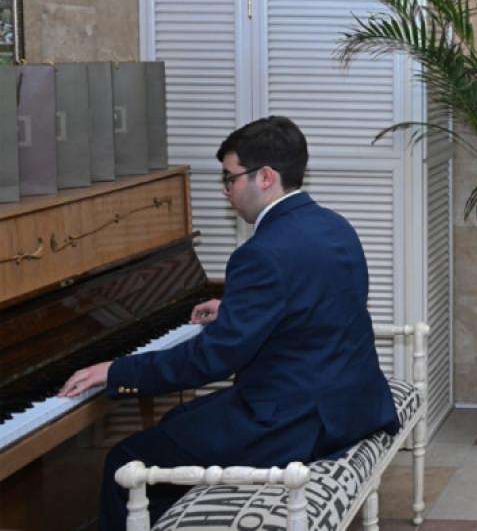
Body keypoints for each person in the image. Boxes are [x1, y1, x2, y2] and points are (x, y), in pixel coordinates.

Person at [60, 116, 399, 531]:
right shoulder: (334, 225)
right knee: (177, 423)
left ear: (266, 177)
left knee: (125, 461)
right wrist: (236, 307)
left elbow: (213, 359)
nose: (225, 190)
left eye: (230, 178)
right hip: (352, 402)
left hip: (296, 421)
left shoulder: (262, 252)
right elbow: (321, 301)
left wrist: (118, 372)